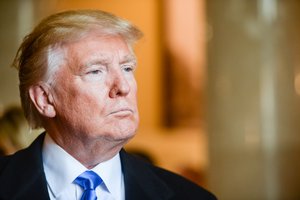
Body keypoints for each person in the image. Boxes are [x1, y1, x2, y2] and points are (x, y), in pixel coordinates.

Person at [0, 10, 217, 200]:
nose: (123, 87)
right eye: (96, 71)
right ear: (45, 99)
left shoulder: (189, 196)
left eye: (127, 68)